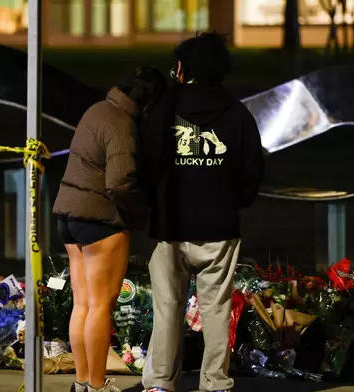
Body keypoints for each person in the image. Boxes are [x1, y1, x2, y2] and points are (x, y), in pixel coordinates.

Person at [138, 32, 265, 392]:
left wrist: (152, 202)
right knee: (217, 310)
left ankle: (160, 383)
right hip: (219, 227)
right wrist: (234, 200)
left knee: (167, 309)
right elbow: (253, 169)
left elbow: (144, 163)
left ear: (182, 68)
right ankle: (215, 383)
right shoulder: (238, 113)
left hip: (168, 227)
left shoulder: (161, 110)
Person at [53, 66, 167, 392]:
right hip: (99, 222)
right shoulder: (122, 126)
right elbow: (119, 181)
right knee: (101, 306)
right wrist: (141, 209)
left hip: (69, 218)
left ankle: (82, 383)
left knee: (83, 304)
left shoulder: (97, 110)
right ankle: (98, 386)